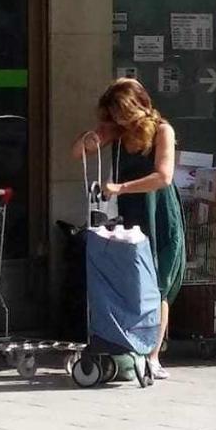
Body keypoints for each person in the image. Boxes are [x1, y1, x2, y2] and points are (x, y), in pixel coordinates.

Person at [72, 78, 185, 380]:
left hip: (158, 211)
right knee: (133, 280)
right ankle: (129, 347)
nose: (123, 119)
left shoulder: (163, 130)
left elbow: (163, 176)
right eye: (116, 114)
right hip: (131, 214)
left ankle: (152, 355)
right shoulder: (118, 133)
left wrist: (121, 187)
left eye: (125, 112)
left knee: (158, 282)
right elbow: (78, 153)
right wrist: (94, 137)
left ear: (141, 105)